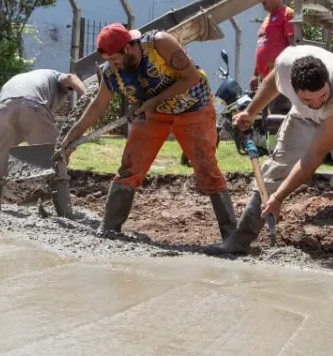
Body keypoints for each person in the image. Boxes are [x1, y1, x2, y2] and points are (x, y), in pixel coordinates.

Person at [61, 24, 237, 238]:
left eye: (114, 59)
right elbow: (97, 107)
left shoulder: (160, 43)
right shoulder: (112, 74)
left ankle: (232, 236)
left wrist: (154, 101)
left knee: (206, 168)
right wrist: (69, 141)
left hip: (193, 108)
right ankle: (108, 230)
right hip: (154, 114)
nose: (112, 65)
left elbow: (191, 78)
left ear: (127, 49)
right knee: (130, 166)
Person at [215, 44, 333, 266]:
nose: (318, 103)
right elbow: (272, 82)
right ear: (293, 88)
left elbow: (313, 155)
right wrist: (250, 112)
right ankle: (238, 242)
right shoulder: (285, 65)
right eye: (310, 99)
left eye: (322, 96)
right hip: (302, 115)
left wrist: (279, 198)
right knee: (278, 167)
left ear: (327, 81)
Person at [0, 68, 87, 215]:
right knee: (55, 158)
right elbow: (71, 77)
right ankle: (64, 212)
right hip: (33, 104)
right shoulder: (56, 76)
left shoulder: (26, 78)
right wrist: (89, 97)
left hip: (4, 107)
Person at [251, 0, 294, 115]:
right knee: (267, 122)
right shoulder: (267, 18)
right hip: (265, 81)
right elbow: (262, 45)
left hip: (280, 80)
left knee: (277, 120)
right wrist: (255, 74)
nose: (262, 1)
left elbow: (293, 47)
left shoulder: (287, 14)